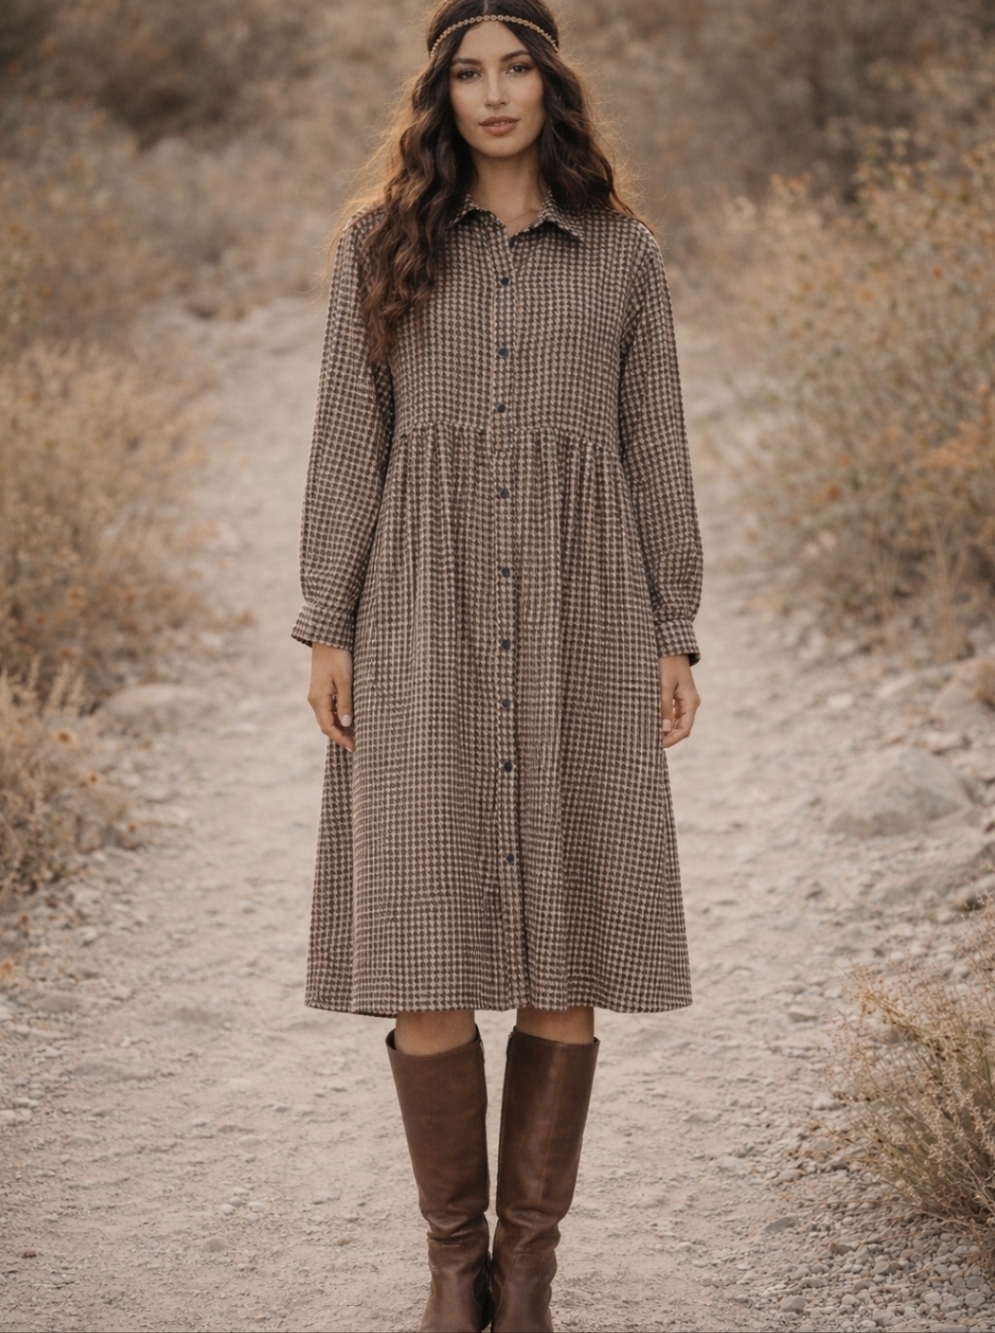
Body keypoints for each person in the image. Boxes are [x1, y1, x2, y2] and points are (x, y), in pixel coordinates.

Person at [292, 2, 703, 1329]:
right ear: (440, 94)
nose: (495, 93)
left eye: (517, 65)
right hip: (420, 613)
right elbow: (348, 447)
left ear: (553, 81)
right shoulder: (379, 247)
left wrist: (671, 626)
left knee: (564, 939)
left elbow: (656, 453)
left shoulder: (626, 260)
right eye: (468, 73)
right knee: (422, 939)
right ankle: (452, 1265)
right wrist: (329, 620)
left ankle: (528, 1270)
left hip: (587, 620)